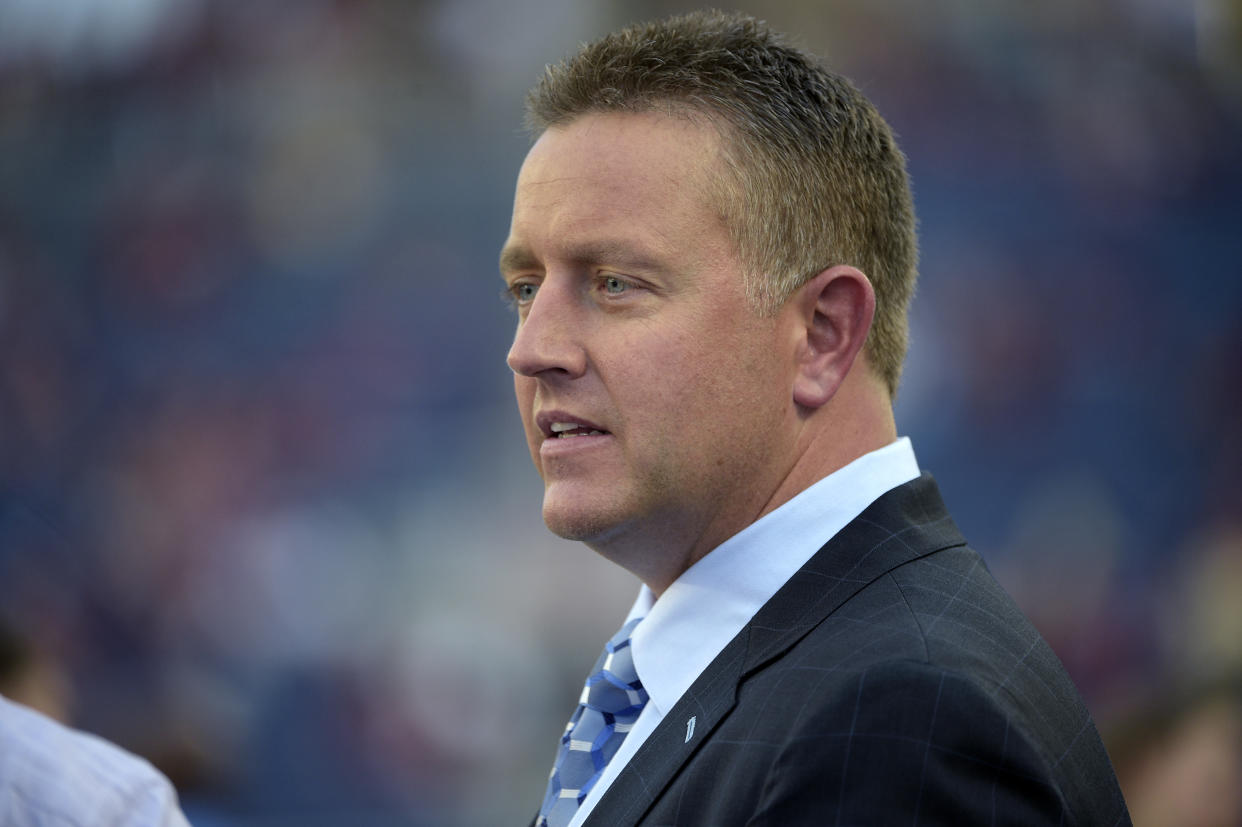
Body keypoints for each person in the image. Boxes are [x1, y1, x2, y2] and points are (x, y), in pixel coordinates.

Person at [499, 10, 1130, 826]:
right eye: (524, 288)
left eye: (615, 282)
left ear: (824, 334)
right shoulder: (786, 665)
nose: (532, 348)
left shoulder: (900, 718)